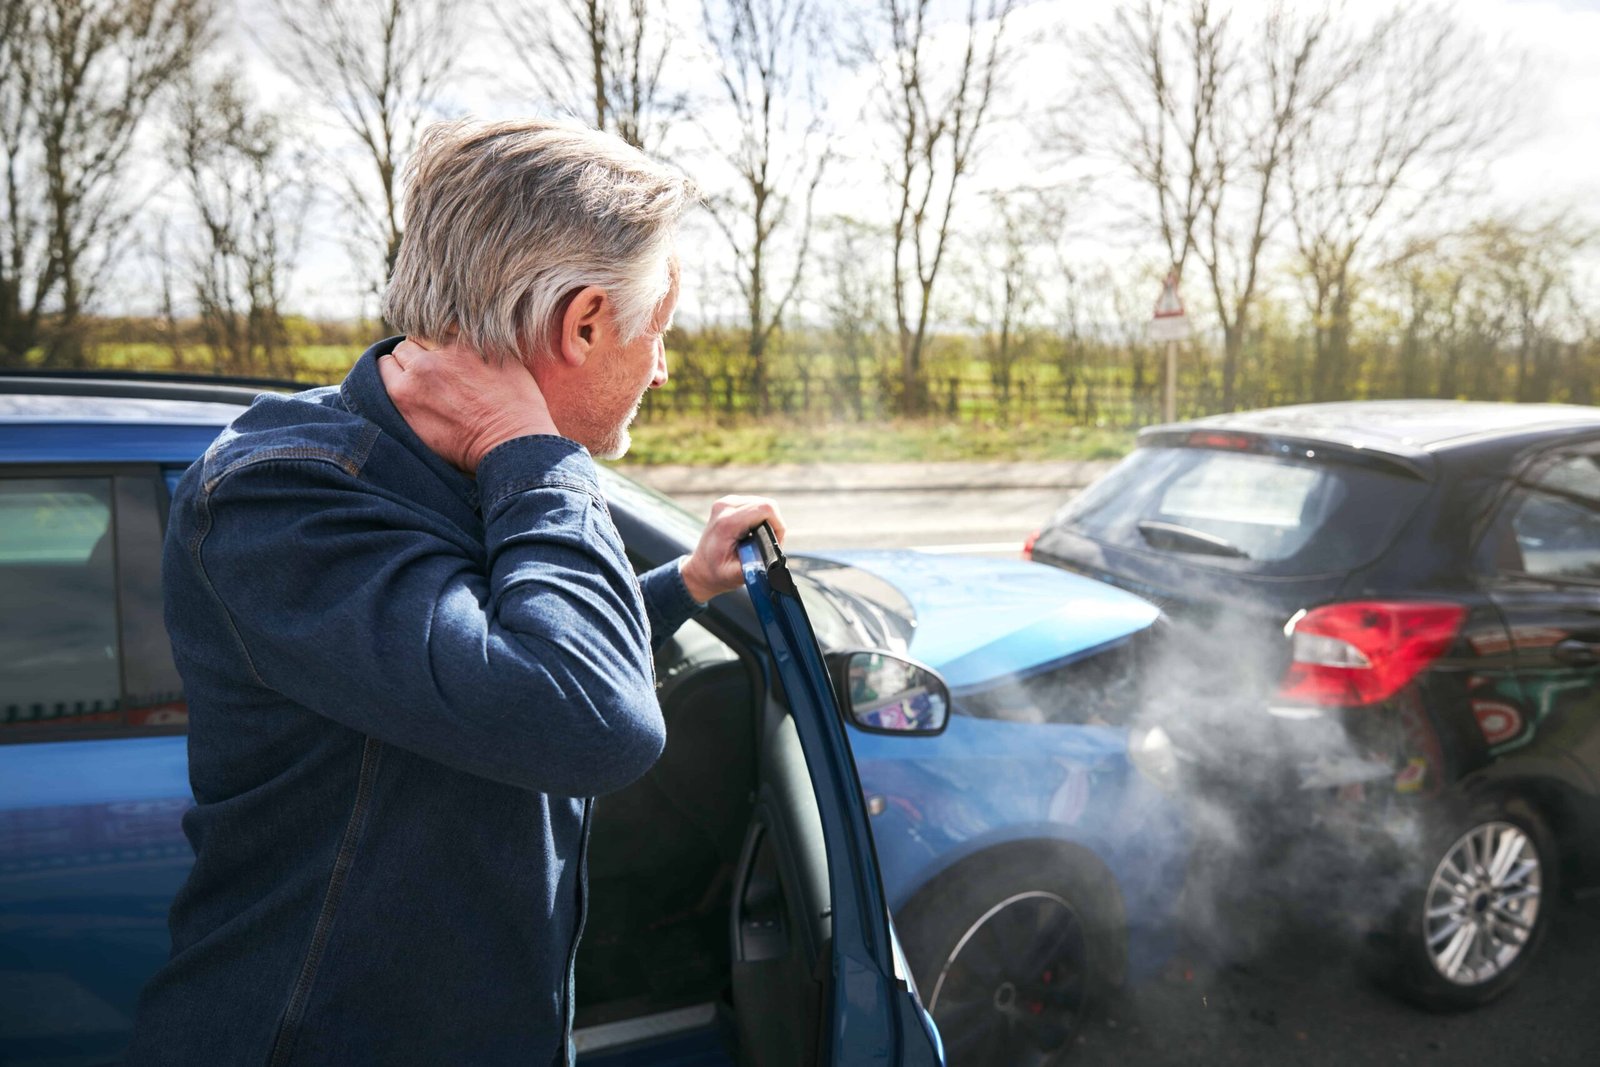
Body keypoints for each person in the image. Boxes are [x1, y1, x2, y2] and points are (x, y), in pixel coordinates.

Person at [125, 118, 783, 1066]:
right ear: (583, 322)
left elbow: (495, 660)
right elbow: (590, 718)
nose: (662, 366)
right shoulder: (282, 497)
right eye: (659, 329)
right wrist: (533, 451)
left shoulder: (464, 468)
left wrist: (680, 583)